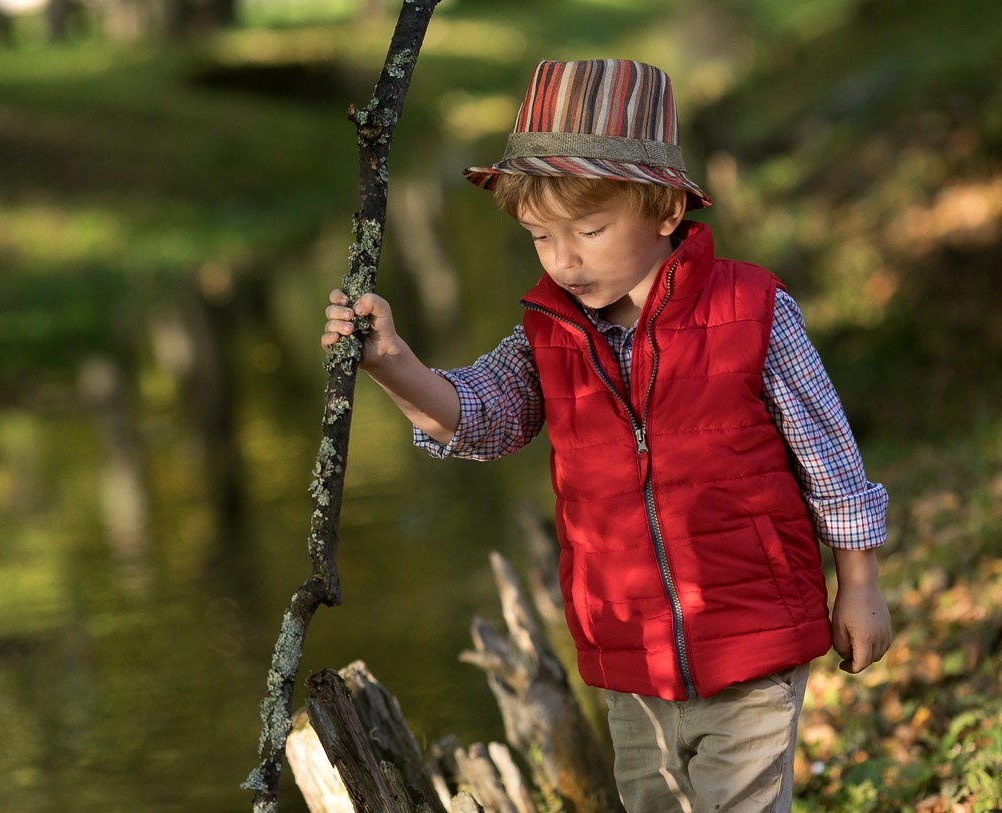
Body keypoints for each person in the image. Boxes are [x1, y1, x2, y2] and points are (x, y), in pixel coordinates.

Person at [321, 59, 893, 811]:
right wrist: (391, 362)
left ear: (664, 211)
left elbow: (830, 459)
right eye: (539, 236)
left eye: (589, 229)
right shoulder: (548, 333)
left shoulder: (753, 311)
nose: (564, 258)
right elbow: (479, 418)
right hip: (629, 652)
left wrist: (859, 583)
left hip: (749, 636)